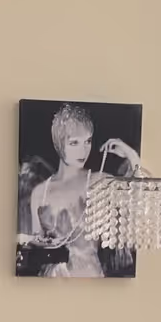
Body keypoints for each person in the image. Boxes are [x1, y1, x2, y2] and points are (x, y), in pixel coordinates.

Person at [18, 103, 140, 278]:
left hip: (90, 277)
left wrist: (132, 156)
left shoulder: (99, 181)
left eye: (87, 141)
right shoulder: (40, 192)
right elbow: (36, 244)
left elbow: (139, 198)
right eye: (74, 143)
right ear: (59, 144)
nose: (83, 150)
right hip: (50, 281)